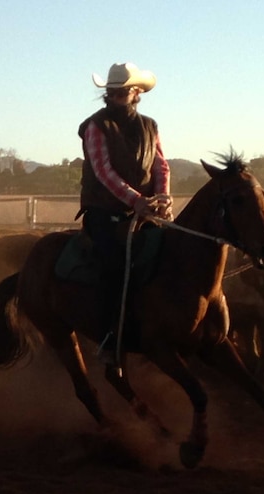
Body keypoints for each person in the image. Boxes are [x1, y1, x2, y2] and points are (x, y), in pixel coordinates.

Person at [76, 62, 173, 364]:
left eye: (125, 90)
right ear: (110, 94)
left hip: (143, 210)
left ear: (136, 92)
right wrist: (136, 200)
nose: (120, 95)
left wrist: (163, 197)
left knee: (173, 258)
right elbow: (103, 171)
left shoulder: (150, 126)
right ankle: (109, 335)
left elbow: (160, 165)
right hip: (104, 212)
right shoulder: (96, 126)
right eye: (115, 91)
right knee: (114, 265)